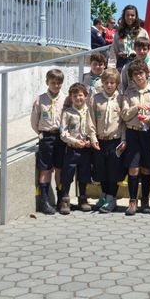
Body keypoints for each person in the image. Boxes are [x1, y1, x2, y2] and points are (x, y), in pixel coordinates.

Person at [121, 61, 150, 215]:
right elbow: (124, 115)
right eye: (135, 74)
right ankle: (132, 201)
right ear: (132, 77)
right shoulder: (129, 93)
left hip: (148, 132)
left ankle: (145, 200)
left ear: (147, 73)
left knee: (146, 168)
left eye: (141, 73)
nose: (139, 76)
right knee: (134, 168)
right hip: (133, 132)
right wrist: (136, 108)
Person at [87, 69, 125, 214]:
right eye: (106, 82)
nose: (109, 85)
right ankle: (103, 196)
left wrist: (123, 139)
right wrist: (93, 137)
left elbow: (123, 122)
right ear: (102, 83)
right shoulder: (96, 98)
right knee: (101, 170)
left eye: (112, 83)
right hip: (100, 140)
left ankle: (111, 198)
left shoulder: (120, 99)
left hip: (115, 141)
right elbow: (90, 119)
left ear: (116, 84)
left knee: (113, 171)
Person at [30, 69, 67, 214]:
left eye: (59, 83)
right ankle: (45, 200)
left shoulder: (66, 99)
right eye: (53, 83)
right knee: (45, 169)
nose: (56, 86)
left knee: (60, 168)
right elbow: (34, 121)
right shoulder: (40, 100)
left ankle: (60, 199)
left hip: (61, 137)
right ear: (47, 83)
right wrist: (41, 133)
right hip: (46, 137)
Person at [58, 83, 93, 215]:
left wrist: (90, 140)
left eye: (80, 95)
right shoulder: (67, 113)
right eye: (75, 96)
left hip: (86, 149)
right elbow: (63, 132)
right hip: (72, 149)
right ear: (71, 98)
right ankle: (65, 199)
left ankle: (83, 199)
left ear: (85, 96)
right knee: (68, 174)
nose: (78, 98)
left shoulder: (90, 111)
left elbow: (92, 128)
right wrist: (74, 141)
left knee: (84, 175)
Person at [112, 5, 150, 70]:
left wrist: (147, 65)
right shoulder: (118, 33)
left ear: (136, 17)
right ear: (124, 17)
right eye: (127, 15)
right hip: (122, 64)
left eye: (132, 15)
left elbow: (148, 50)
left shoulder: (142, 32)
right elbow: (114, 51)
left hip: (138, 62)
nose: (130, 17)